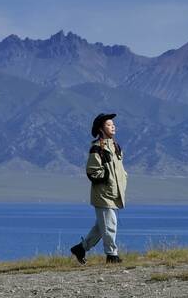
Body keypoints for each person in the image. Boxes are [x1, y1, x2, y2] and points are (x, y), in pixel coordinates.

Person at [70, 113, 128, 264]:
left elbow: (121, 170)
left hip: (114, 193)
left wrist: (123, 179)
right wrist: (107, 177)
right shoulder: (97, 148)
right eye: (109, 124)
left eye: (113, 124)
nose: (113, 126)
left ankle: (81, 248)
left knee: (101, 227)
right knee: (110, 224)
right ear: (101, 129)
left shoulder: (115, 147)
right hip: (103, 194)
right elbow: (92, 171)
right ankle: (112, 255)